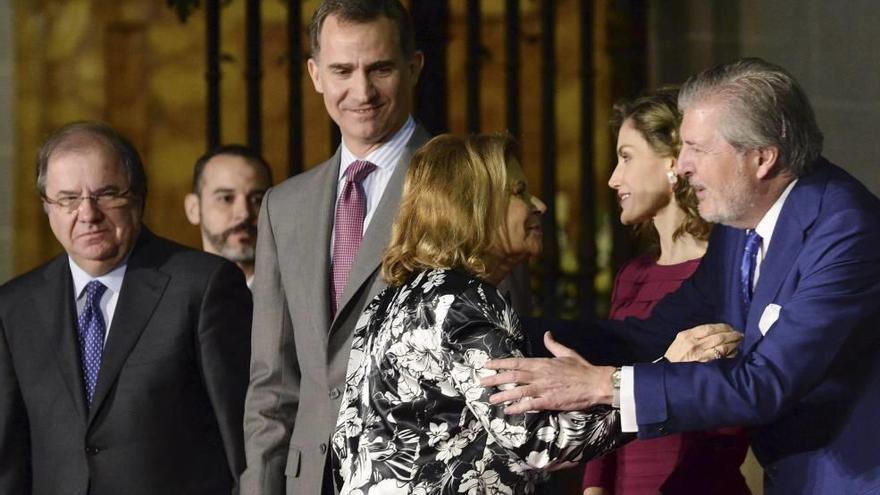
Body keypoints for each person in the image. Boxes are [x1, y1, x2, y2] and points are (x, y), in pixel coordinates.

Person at [482, 57, 880, 494]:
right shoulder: (738, 229)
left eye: (697, 148)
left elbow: (764, 383)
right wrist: (491, 332)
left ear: (762, 158)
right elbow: (649, 335)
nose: (682, 166)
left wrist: (604, 385)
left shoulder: (846, 229)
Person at [333, 133, 626, 494]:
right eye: (518, 191)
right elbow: (536, 441)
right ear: (474, 206)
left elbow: (347, 440)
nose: (538, 205)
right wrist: (637, 394)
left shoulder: (386, 302)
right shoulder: (462, 299)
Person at [240, 1, 431, 493]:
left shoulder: (465, 189)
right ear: (315, 74)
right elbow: (273, 383)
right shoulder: (284, 207)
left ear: (414, 67)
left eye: (381, 69)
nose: (361, 91)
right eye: (342, 70)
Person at [0, 121, 252, 494]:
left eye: (106, 194)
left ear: (138, 195)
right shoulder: (15, 308)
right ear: (46, 207)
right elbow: (10, 458)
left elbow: (243, 441)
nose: (87, 214)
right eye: (67, 199)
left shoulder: (202, 287)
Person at [582, 88, 749, 495]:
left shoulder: (725, 269)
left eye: (626, 157)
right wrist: (594, 488)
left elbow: (733, 405)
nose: (612, 178)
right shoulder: (631, 274)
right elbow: (604, 393)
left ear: (673, 162)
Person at [184, 144, 273, 287]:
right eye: (226, 198)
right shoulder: (174, 296)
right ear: (193, 209)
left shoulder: (300, 295)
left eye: (257, 200)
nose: (244, 213)